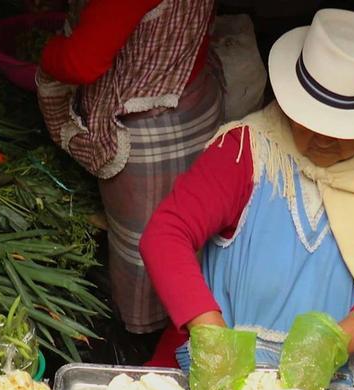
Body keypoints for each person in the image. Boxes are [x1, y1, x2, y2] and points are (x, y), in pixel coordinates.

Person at [140, 8, 354, 390]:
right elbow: (166, 234)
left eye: (341, 132)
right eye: (308, 121)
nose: (321, 139)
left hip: (344, 373)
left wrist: (335, 342)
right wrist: (207, 329)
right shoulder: (247, 151)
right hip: (229, 372)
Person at [36, 0, 221, 335]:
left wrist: (45, 51)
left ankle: (143, 337)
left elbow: (81, 63)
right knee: (186, 233)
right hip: (192, 101)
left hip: (148, 133)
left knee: (147, 250)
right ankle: (186, 321)